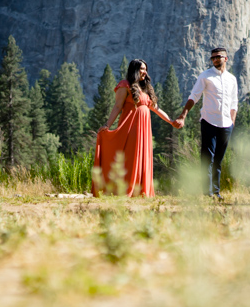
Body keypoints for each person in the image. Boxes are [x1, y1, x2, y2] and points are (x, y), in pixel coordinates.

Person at [93, 58, 179, 197]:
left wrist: (171, 121)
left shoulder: (146, 89)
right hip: (130, 127)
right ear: (134, 70)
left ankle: (140, 190)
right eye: (141, 69)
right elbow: (117, 106)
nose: (144, 72)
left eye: (145, 69)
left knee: (143, 156)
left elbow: (156, 109)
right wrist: (107, 125)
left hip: (144, 129)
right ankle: (125, 189)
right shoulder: (125, 85)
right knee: (131, 156)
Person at [174, 47, 238, 199]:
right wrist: (183, 115)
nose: (215, 59)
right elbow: (194, 96)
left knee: (219, 160)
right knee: (207, 159)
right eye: (213, 58)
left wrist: (232, 122)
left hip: (226, 124)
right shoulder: (205, 76)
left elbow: (234, 102)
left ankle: (216, 192)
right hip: (209, 121)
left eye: (218, 57)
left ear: (226, 59)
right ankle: (208, 193)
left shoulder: (232, 79)